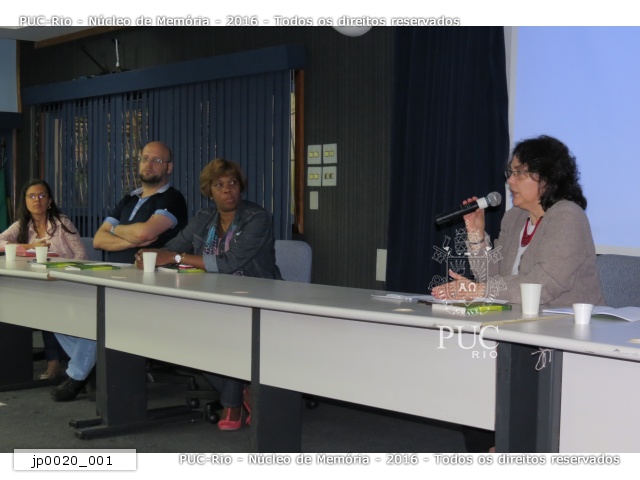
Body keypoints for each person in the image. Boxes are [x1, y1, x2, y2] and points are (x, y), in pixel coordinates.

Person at [136, 158, 282, 431]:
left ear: (241, 187)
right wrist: (151, 254)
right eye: (219, 185)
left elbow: (229, 262)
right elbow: (174, 246)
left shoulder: (257, 218)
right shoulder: (205, 217)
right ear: (209, 191)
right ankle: (244, 392)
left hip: (256, 297)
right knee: (181, 332)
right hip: (213, 296)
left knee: (229, 331)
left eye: (233, 183)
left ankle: (232, 404)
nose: (227, 190)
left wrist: (176, 257)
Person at [51, 141, 188, 401]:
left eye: (157, 160)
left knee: (100, 314)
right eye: (145, 158)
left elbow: (146, 233)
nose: (149, 164)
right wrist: (132, 237)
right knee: (60, 312)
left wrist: (122, 232)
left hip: (151, 281)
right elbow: (99, 240)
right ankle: (93, 364)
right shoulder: (128, 199)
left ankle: (77, 375)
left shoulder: (172, 199)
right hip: (114, 274)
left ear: (169, 167)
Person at [432, 135, 604, 307]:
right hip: (519, 317)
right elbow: (491, 279)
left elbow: (544, 284)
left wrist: (478, 290)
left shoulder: (568, 216)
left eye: (519, 173)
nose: (510, 181)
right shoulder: (514, 217)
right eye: (510, 173)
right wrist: (476, 234)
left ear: (547, 178)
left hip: (569, 321)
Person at [0, 179, 87, 380]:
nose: (36, 200)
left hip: (64, 281)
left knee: (48, 306)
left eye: (41, 195)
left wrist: (66, 272)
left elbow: (81, 254)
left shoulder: (61, 222)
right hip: (37, 283)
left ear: (49, 201)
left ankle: (54, 362)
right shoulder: (22, 225)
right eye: (31, 196)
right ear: (25, 201)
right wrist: (30, 247)